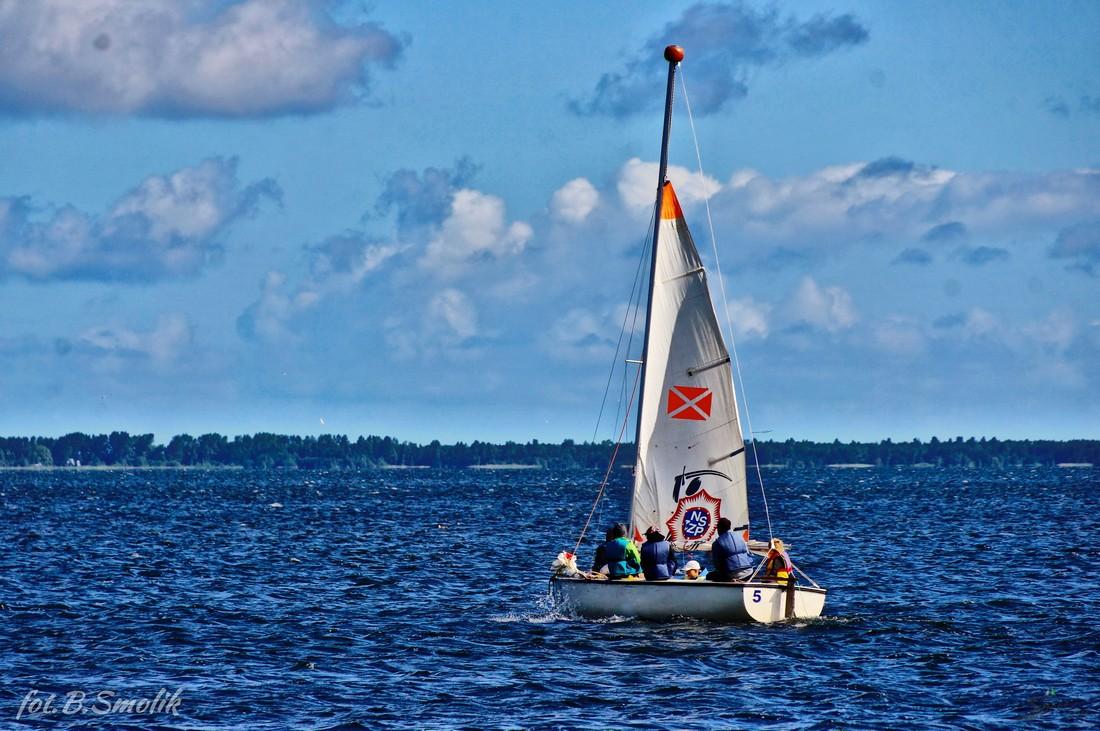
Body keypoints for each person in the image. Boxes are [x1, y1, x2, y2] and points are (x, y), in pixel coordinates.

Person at [706, 517, 755, 582]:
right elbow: (748, 555)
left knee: (709, 576)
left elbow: (717, 564)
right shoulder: (740, 537)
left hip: (733, 575)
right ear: (729, 527)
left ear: (719, 529)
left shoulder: (717, 543)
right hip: (749, 572)